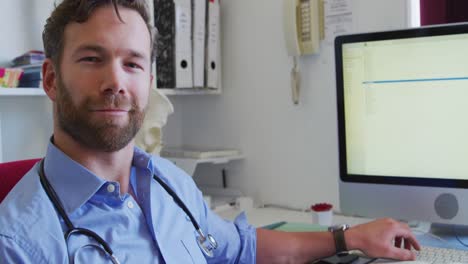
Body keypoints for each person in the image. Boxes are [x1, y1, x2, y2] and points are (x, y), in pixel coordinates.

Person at [0, 0, 420, 263]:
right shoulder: (19, 244)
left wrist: (349, 237)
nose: (117, 81)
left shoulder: (169, 184)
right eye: (92, 59)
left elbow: (240, 248)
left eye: (132, 63)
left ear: (149, 81)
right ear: (51, 80)